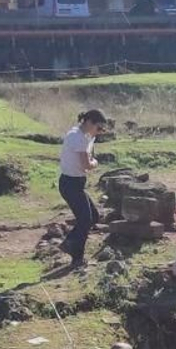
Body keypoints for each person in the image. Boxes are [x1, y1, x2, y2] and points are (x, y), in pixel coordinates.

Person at [58, 109, 108, 268]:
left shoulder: (79, 135)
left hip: (74, 184)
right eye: (98, 127)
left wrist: (92, 138)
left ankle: (73, 250)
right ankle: (74, 252)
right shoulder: (78, 138)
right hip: (71, 184)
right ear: (89, 122)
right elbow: (86, 165)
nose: (99, 131)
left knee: (92, 217)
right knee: (86, 219)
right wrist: (95, 163)